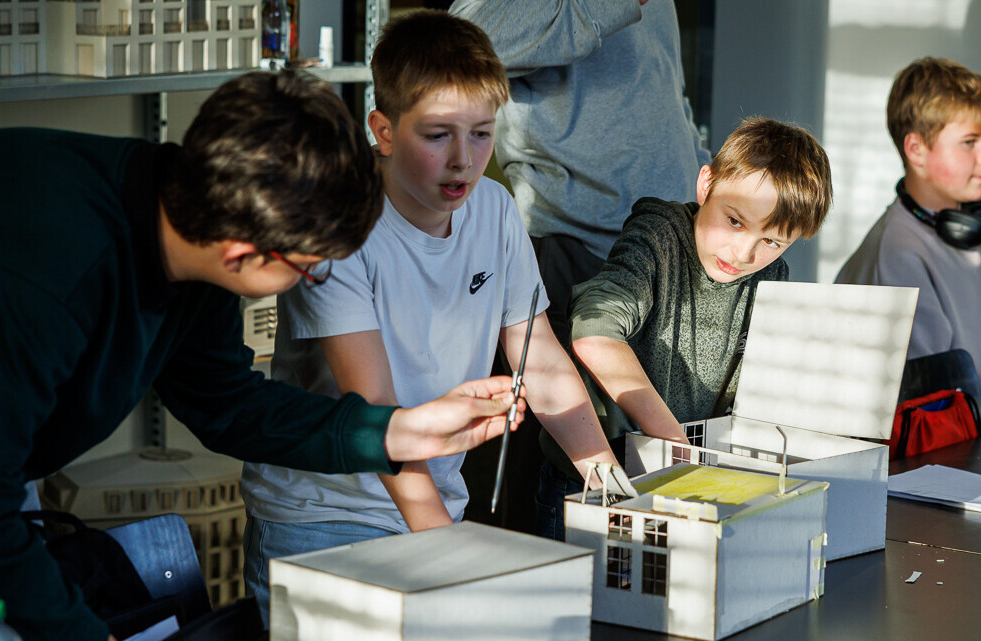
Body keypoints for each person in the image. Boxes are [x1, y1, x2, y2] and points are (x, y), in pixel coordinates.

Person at [0, 70, 525, 641]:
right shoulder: (39, 272)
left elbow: (227, 404)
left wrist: (395, 431)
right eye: (308, 262)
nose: (315, 277)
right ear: (244, 249)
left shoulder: (191, 218)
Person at [240, 10, 619, 622]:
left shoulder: (494, 211)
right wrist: (451, 554)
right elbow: (374, 412)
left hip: (434, 507)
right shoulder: (341, 227)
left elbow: (539, 357)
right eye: (438, 135)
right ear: (383, 131)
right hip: (322, 520)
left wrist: (608, 482)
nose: (463, 160)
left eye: (481, 134)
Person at [449, 0, 712, 533]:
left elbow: (662, 84)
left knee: (636, 489)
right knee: (544, 489)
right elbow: (466, 41)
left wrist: (698, 167)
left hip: (668, 241)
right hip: (571, 241)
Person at [545, 117, 832, 540]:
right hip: (590, 479)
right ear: (706, 185)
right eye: (734, 221)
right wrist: (679, 446)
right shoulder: (657, 236)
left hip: (687, 480)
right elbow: (595, 332)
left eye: (772, 241)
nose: (745, 252)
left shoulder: (772, 279)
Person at [835, 56, 981, 430]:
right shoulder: (898, 254)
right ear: (916, 151)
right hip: (975, 454)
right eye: (969, 142)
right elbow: (941, 406)